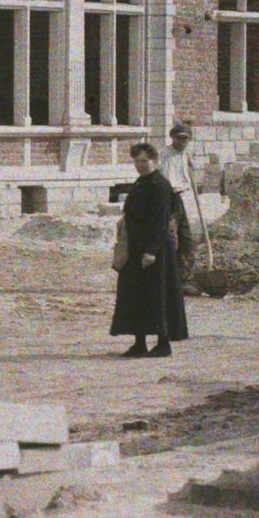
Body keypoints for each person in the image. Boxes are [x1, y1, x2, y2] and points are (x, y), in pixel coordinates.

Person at [110, 141, 189, 358]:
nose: (140, 165)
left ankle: (163, 343)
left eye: (144, 161)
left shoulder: (160, 186)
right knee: (136, 295)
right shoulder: (141, 183)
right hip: (136, 248)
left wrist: (151, 251)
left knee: (158, 296)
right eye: (137, 161)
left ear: (154, 161)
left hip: (156, 250)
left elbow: (161, 221)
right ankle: (140, 342)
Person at [159, 121, 199, 278]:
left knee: (187, 239)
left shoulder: (185, 154)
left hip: (178, 199)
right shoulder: (163, 154)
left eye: (185, 139)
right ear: (172, 138)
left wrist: (190, 165)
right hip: (166, 199)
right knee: (170, 238)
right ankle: (166, 275)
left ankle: (183, 277)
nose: (182, 142)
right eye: (179, 138)